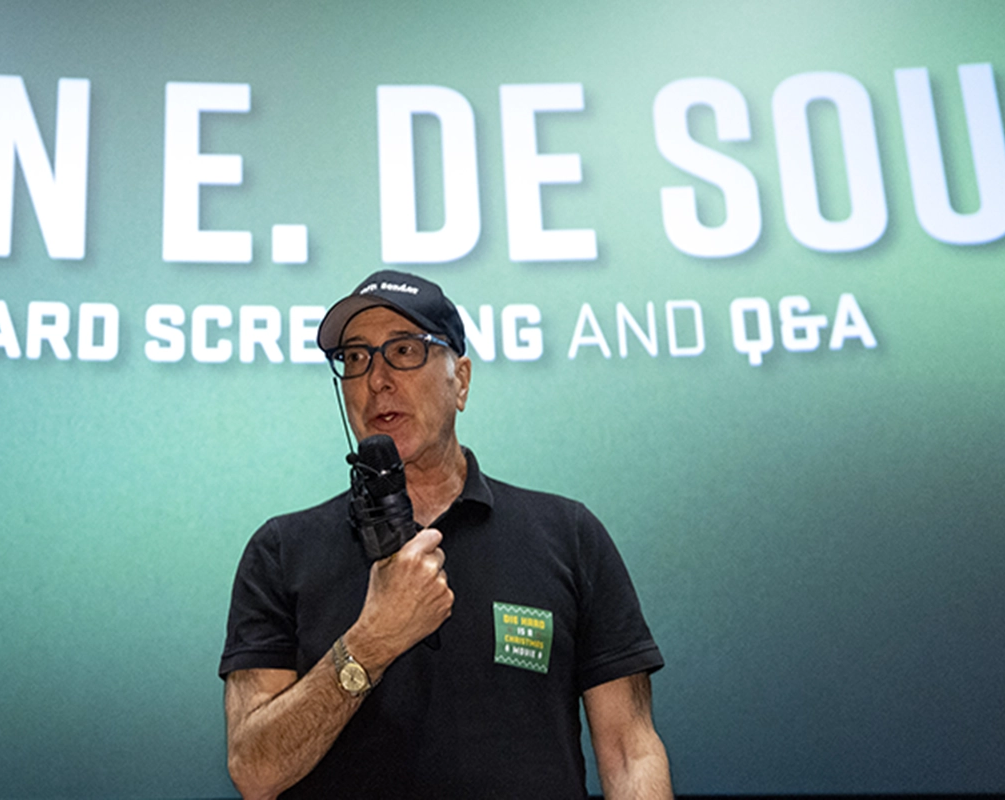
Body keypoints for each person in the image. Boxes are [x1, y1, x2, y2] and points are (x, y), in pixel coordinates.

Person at [219, 270, 671, 799]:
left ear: (460, 379)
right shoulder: (281, 551)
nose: (377, 379)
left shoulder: (567, 536)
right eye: (356, 358)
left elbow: (630, 752)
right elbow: (254, 770)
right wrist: (370, 644)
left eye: (405, 350)